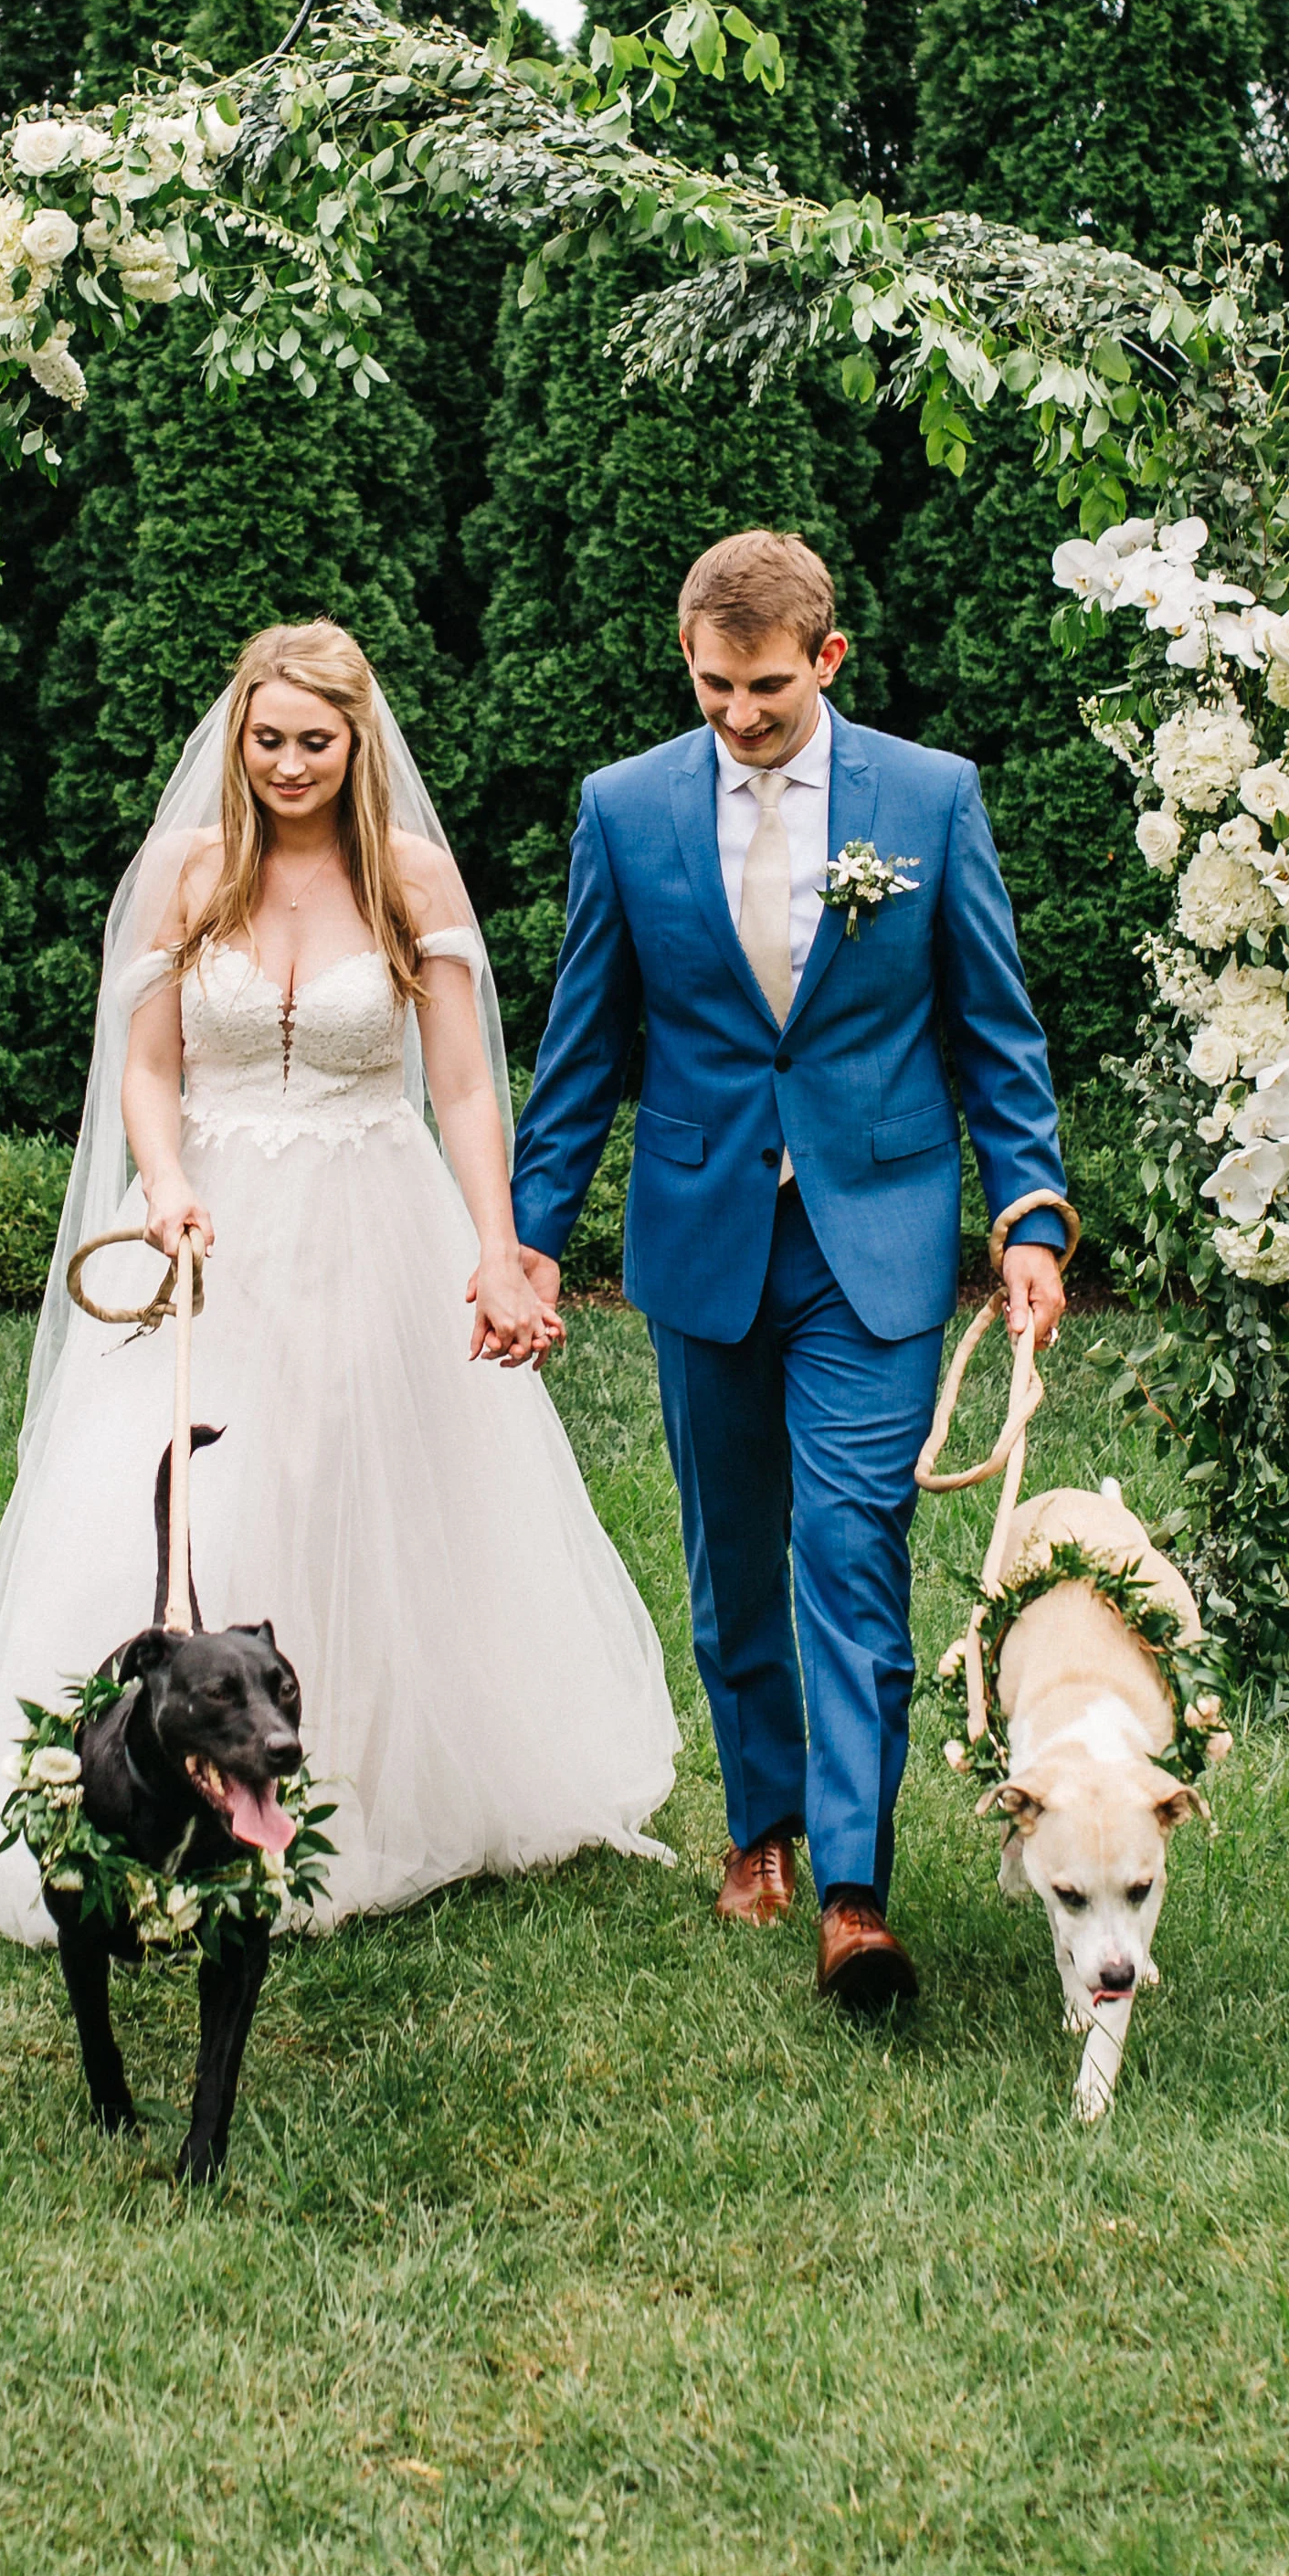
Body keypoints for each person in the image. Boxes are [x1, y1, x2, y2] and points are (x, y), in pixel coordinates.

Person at [0, 618, 678, 1936]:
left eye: (315, 743)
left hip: (368, 1213)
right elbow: (149, 1066)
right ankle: (160, 1782)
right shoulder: (184, 870)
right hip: (209, 1224)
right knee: (199, 1477)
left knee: (359, 1475)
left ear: (356, 744)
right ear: (238, 737)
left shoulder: (408, 875)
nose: (288, 764)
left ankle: (379, 1783)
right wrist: (163, 1182)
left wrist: (496, 1246)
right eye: (267, 738)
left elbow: (459, 1083)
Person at [508, 532, 1070, 2009]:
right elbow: (582, 1049)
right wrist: (528, 1237)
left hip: (871, 1242)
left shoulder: (929, 799)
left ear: (826, 659)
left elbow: (994, 1035)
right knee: (730, 1560)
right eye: (710, 687)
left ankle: (849, 1888)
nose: (736, 715)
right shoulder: (624, 811)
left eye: (762, 687)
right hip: (703, 1238)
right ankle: (757, 1823)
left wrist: (1027, 1216)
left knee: (849, 1555)